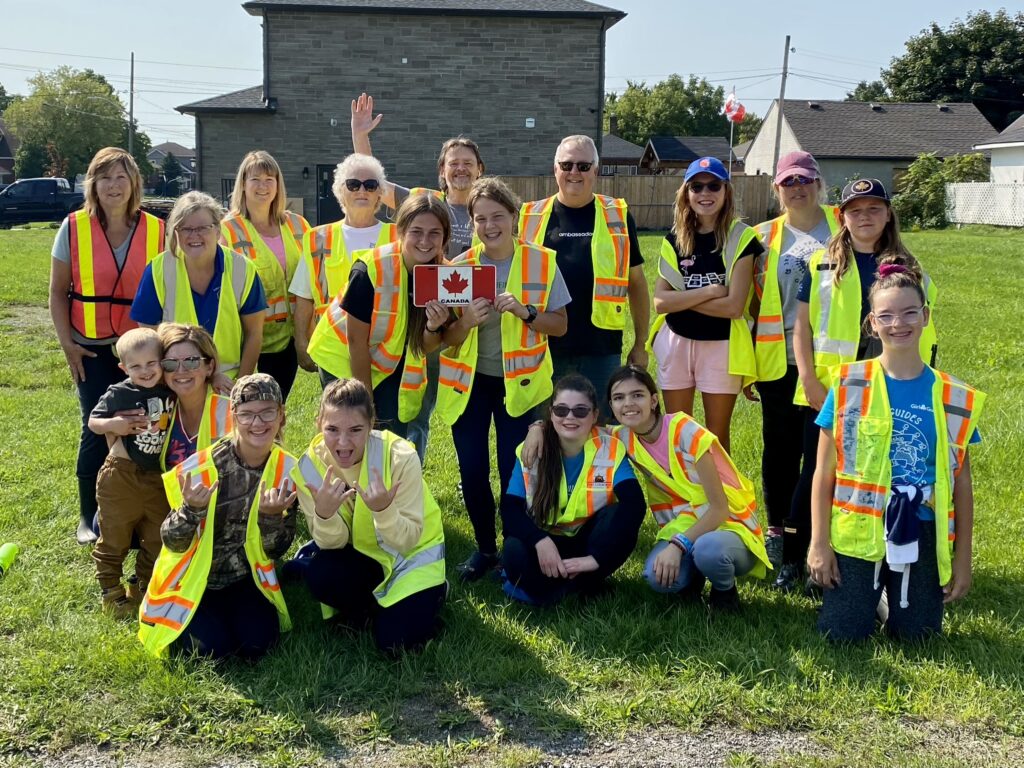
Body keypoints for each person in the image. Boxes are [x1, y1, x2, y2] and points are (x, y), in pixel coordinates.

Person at [807, 257, 982, 641]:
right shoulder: (850, 384)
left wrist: (963, 559)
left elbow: (962, 484)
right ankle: (868, 594)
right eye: (886, 316)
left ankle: (886, 597)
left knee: (917, 638)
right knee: (841, 636)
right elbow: (824, 471)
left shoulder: (953, 396)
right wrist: (819, 543)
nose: (898, 324)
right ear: (872, 323)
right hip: (859, 529)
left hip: (919, 527)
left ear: (925, 315)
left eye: (909, 313)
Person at [779, 178, 939, 592]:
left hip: (887, 391)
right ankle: (797, 557)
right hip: (830, 391)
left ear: (888, 215)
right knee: (816, 472)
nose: (864, 217)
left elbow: (925, 326)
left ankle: (871, 550)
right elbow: (803, 326)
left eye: (873, 209)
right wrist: (810, 380)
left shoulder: (911, 268)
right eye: (855, 210)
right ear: (842, 216)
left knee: (873, 470)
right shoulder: (820, 263)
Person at [436, 178, 570, 581]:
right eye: (480, 219)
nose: (489, 225)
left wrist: (526, 312)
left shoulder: (542, 261)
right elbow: (446, 339)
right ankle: (484, 549)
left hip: (522, 386)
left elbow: (560, 326)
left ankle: (515, 547)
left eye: (497, 216)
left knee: (517, 470)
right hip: (471, 386)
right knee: (473, 471)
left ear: (514, 216)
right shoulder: (458, 268)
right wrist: (466, 324)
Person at [350, 92, 484, 459]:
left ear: (479, 170)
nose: (460, 169)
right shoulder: (424, 202)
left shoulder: (489, 210)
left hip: (469, 326)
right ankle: (409, 472)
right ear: (442, 170)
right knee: (415, 404)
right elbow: (376, 182)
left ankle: (454, 473)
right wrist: (361, 137)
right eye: (453, 163)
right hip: (425, 321)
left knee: (463, 412)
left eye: (468, 163)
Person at [49, 147, 165, 543]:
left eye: (121, 177)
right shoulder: (73, 227)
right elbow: (56, 293)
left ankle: (144, 507)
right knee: (95, 427)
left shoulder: (157, 229)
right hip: (91, 347)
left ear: (134, 183)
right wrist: (68, 345)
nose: (113, 186)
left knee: (148, 423)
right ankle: (88, 513)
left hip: (142, 347)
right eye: (104, 177)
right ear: (92, 184)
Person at [138, 374, 298, 660]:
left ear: (281, 416)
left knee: (260, 646)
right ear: (234, 417)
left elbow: (276, 550)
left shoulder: (287, 469)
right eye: (247, 414)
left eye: (267, 412)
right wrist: (191, 511)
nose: (258, 423)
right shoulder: (199, 468)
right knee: (212, 651)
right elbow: (173, 542)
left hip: (243, 579)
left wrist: (271, 518)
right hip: (195, 581)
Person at [295, 378, 446, 654]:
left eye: (355, 430)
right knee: (319, 573)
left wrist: (383, 510)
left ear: (371, 423)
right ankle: (375, 608)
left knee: (393, 645)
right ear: (318, 423)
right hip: (367, 557)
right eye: (332, 429)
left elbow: (408, 540)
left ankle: (431, 596)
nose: (342, 442)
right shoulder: (308, 466)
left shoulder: (400, 456)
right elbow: (333, 545)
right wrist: (325, 514)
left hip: (411, 561)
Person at [606, 365, 770, 610]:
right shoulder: (624, 437)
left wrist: (677, 545)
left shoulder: (685, 431)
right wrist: (538, 428)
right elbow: (578, 426)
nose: (628, 404)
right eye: (619, 398)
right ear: (611, 407)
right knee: (656, 577)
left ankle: (724, 592)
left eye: (637, 395)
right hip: (687, 523)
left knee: (708, 551)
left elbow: (719, 509)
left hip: (730, 524)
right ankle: (691, 579)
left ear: (654, 401)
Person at [749, 151, 839, 571]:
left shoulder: (843, 224)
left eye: (805, 180)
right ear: (777, 188)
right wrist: (746, 365)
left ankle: (818, 536)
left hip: (833, 362)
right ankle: (779, 533)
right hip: (777, 359)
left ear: (819, 183)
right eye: (788, 182)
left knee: (823, 453)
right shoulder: (763, 236)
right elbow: (749, 302)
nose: (797, 188)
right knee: (780, 451)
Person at [518, 134, 649, 415]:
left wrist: (640, 345)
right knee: (546, 431)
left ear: (596, 171)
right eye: (566, 165)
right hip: (542, 347)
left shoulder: (618, 215)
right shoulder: (529, 217)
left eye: (583, 166)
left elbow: (637, 284)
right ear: (555, 169)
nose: (574, 172)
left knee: (601, 432)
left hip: (601, 350)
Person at [306, 194, 450, 438]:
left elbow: (426, 346)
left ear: (445, 237)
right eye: (416, 231)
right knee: (353, 429)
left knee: (390, 434)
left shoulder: (443, 274)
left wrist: (434, 326)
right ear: (401, 231)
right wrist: (366, 406)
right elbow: (355, 343)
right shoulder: (370, 269)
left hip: (386, 362)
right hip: (341, 355)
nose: (425, 241)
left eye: (434, 233)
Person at [500, 375, 646, 605]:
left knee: (620, 519)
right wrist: (540, 541)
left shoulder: (609, 448)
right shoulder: (530, 448)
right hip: (545, 540)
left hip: (587, 544)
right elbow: (509, 509)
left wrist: (595, 559)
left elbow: (635, 504)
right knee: (513, 550)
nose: (569, 417)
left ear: (594, 416)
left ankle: (568, 583)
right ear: (551, 413)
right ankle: (577, 586)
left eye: (580, 411)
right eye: (561, 410)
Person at [649, 157, 761, 454]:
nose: (705, 193)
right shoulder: (674, 238)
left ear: (726, 192)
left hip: (721, 345)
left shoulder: (741, 237)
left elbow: (734, 307)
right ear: (686, 193)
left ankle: (722, 499)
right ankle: (683, 499)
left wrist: (682, 300)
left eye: (713, 186)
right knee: (677, 430)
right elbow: (660, 302)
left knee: (716, 436)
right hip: (676, 341)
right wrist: (711, 291)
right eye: (696, 186)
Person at [130, 191, 266, 393]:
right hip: (175, 381)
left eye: (203, 228)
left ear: (218, 231)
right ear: (175, 232)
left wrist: (241, 385)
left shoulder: (242, 269)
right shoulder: (158, 269)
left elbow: (254, 333)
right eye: (186, 229)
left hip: (229, 382)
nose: (194, 235)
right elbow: (149, 339)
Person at [87, 328, 174, 618]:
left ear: (162, 361)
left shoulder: (171, 388)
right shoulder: (119, 392)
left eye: (152, 363)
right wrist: (115, 425)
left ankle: (144, 583)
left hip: (157, 477)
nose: (145, 371)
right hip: (120, 475)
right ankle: (110, 591)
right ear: (124, 368)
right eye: (135, 366)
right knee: (115, 536)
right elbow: (93, 423)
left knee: (159, 535)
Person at [290, 153, 398, 386]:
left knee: (386, 421)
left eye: (371, 185)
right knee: (341, 419)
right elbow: (304, 298)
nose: (362, 190)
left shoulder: (397, 237)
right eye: (353, 184)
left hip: (385, 351)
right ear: (340, 190)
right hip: (333, 350)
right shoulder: (317, 238)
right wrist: (301, 343)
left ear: (380, 193)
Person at [221, 150, 311, 400]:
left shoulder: (298, 225)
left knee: (276, 406)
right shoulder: (227, 230)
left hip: (288, 340)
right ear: (243, 184)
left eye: (270, 179)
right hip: (246, 338)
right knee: (244, 406)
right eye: (255, 179)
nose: (263, 186)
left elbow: (312, 278)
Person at [157, 323, 234, 470]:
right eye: (170, 364)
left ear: (209, 367)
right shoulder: (160, 406)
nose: (181, 370)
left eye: (191, 362)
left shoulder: (231, 411)